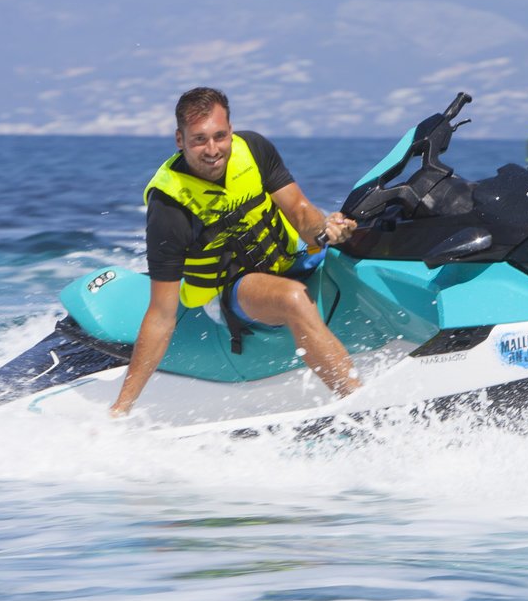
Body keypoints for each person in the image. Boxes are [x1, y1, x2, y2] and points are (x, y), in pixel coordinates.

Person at [110, 87, 360, 417]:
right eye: (199, 139)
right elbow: (161, 313)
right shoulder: (169, 206)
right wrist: (121, 407)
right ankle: (357, 403)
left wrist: (327, 228)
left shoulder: (253, 148)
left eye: (219, 136)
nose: (212, 149)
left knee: (367, 244)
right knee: (292, 298)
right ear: (179, 140)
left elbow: (300, 212)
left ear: (230, 131)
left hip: (288, 259)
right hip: (231, 290)